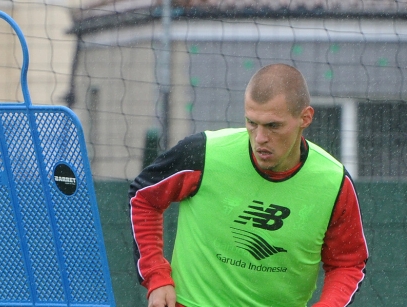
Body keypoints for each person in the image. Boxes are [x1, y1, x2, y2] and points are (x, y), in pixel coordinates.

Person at [129, 63, 368, 307]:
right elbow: (143, 197)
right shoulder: (203, 153)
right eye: (252, 123)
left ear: (305, 118)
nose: (260, 138)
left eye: (273, 126)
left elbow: (347, 263)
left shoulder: (333, 181)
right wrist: (156, 276)